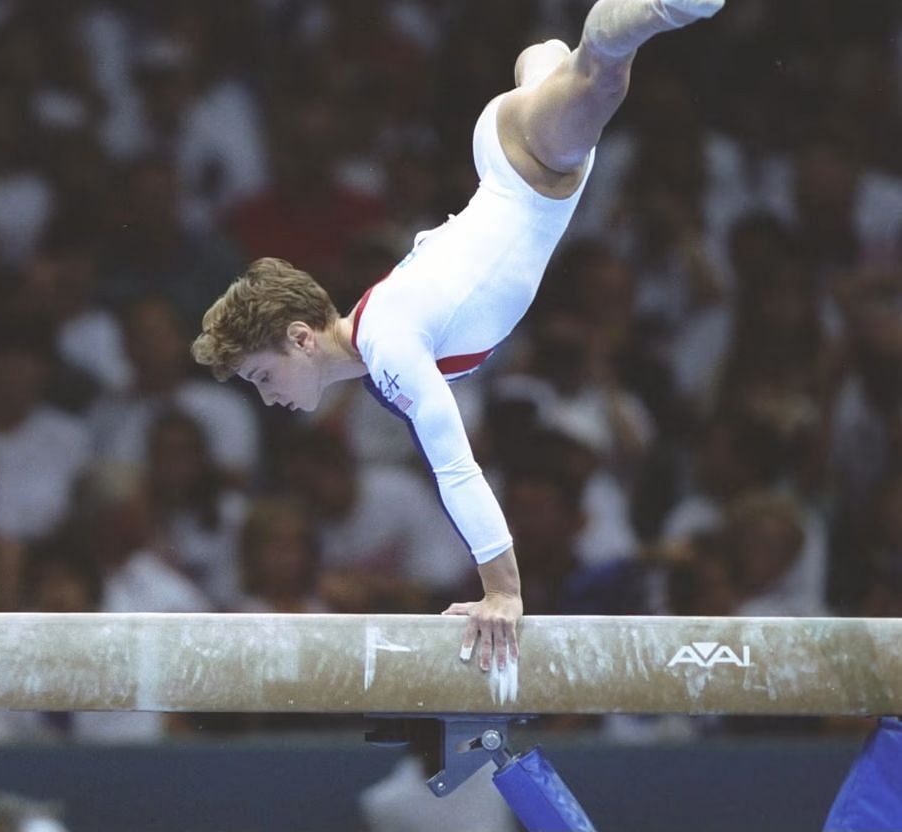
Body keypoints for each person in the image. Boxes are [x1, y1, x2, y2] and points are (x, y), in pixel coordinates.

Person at [191, 0, 725, 671]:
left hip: (525, 171)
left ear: (300, 339)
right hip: (513, 164)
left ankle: (648, 10)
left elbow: (455, 462)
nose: (268, 400)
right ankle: (545, 57)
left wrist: (502, 590)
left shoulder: (385, 346)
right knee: (563, 73)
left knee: (604, 79)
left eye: (262, 377)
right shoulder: (374, 333)